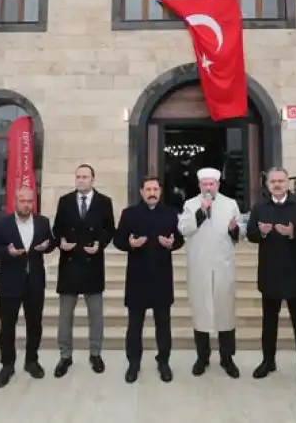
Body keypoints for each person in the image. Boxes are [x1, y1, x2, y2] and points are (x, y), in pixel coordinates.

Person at [246, 166, 296, 392]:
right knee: (269, 322)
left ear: (288, 182)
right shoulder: (260, 207)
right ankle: (268, 361)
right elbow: (251, 235)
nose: (277, 184)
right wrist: (264, 232)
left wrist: (293, 234)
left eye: (281, 180)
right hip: (270, 273)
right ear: (267, 185)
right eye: (273, 181)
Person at [114, 176, 184, 383]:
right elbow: (118, 240)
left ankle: (164, 362)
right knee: (135, 325)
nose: (152, 193)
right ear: (141, 192)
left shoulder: (171, 213)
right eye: (148, 189)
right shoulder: (129, 214)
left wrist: (172, 243)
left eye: (155, 189)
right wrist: (131, 244)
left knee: (163, 324)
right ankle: (133, 363)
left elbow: (179, 239)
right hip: (137, 278)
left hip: (162, 277)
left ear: (160, 191)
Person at [0, 186, 55, 388]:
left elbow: (50, 243)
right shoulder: (2, 224)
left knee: (35, 324)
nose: (26, 205)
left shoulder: (42, 222)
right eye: (23, 201)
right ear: (15, 202)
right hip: (9, 282)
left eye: (30, 201)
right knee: (7, 326)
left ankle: (31, 360)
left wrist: (46, 247)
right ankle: (7, 365)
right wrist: (7, 252)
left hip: (34, 282)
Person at [51, 164, 116, 377]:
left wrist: (100, 244)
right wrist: (61, 241)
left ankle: (95, 354)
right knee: (65, 315)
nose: (81, 180)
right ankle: (65, 356)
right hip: (69, 263)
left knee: (95, 315)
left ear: (93, 180)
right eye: (78, 177)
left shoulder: (104, 202)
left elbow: (110, 230)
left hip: (92, 263)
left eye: (85, 177)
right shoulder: (65, 201)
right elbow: (57, 228)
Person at [179, 167, 242, 378]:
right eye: (204, 184)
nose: (208, 187)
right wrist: (201, 211)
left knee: (225, 313)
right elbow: (184, 229)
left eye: (211, 184)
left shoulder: (230, 204)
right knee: (201, 313)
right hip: (199, 266)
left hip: (223, 266)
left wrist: (235, 228)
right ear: (199, 186)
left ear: (218, 185)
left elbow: (239, 232)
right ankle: (202, 357)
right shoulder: (190, 204)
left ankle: (227, 358)